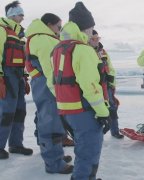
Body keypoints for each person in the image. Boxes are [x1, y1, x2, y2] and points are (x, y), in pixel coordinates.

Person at [51, 2, 109, 180]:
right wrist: (103, 112)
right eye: (91, 28)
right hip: (84, 112)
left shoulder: (58, 49)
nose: (93, 33)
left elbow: (51, 82)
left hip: (65, 111)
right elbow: (90, 86)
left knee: (82, 148)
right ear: (84, 28)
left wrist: (64, 102)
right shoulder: (83, 50)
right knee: (88, 152)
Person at [25, 13, 73, 174]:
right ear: (49, 24)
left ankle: (52, 154)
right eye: (58, 27)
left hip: (42, 83)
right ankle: (54, 162)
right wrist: (58, 92)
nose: (60, 30)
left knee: (45, 117)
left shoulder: (41, 37)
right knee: (51, 121)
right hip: (47, 84)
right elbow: (50, 69)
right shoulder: (44, 39)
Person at [0, 0, 32, 159]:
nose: (23, 18)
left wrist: (25, 77)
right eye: (21, 14)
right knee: (6, 111)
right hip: (6, 74)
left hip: (18, 75)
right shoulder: (1, 30)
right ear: (12, 14)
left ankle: (15, 144)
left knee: (20, 110)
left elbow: (22, 59)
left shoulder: (20, 34)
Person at [89, 30, 124, 139]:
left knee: (112, 107)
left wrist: (111, 82)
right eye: (93, 39)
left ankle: (115, 131)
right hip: (93, 87)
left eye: (97, 38)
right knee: (94, 110)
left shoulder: (103, 52)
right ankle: (97, 135)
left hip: (106, 84)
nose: (96, 41)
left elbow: (111, 67)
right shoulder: (85, 51)